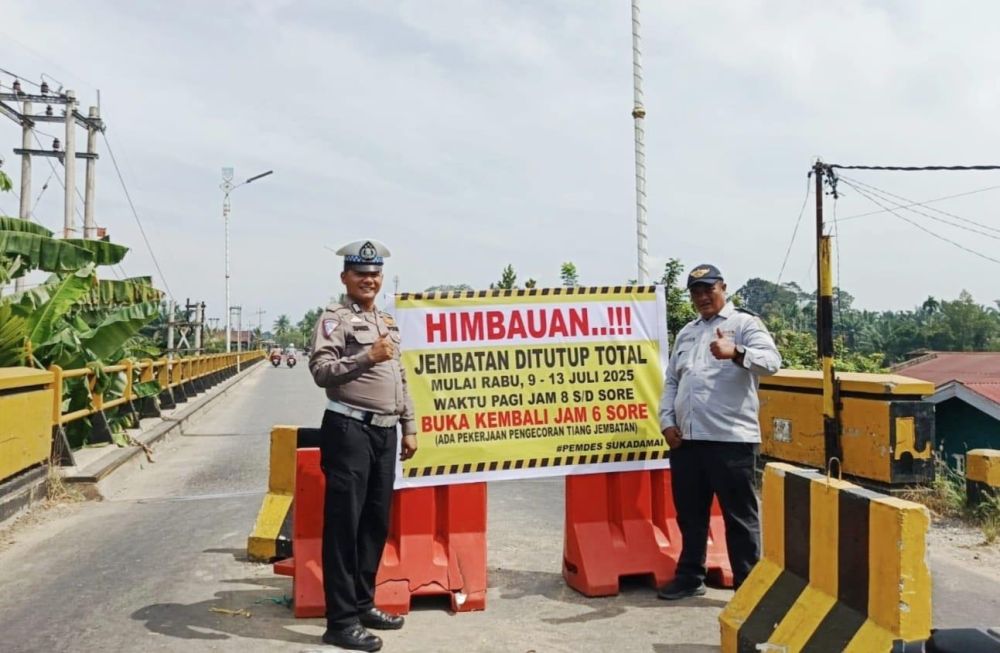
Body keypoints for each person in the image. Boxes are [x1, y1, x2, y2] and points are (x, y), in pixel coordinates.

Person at [309, 239, 418, 651]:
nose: (368, 280)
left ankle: (362, 604)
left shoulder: (385, 321)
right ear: (345, 278)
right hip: (349, 429)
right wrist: (366, 357)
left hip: (385, 433)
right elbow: (321, 372)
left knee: (374, 523)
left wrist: (408, 425)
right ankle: (340, 622)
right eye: (360, 274)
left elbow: (400, 377)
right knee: (345, 526)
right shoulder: (333, 320)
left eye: (374, 274)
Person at [657, 263, 781, 599]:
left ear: (723, 288)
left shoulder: (744, 324)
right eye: (695, 292)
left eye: (708, 289)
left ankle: (748, 589)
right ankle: (689, 577)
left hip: (731, 440)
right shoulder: (687, 332)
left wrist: (736, 352)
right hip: (688, 441)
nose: (702, 297)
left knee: (739, 518)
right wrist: (667, 421)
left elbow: (772, 362)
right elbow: (673, 381)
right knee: (690, 516)